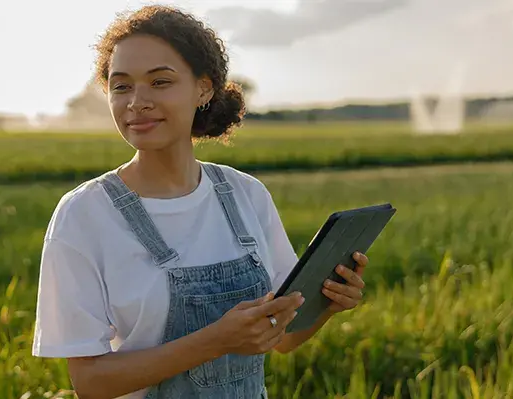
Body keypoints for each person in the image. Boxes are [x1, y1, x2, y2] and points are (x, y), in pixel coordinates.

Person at [31, 5, 369, 399]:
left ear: (203, 88)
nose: (137, 101)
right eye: (121, 86)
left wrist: (328, 303)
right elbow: (90, 383)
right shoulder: (83, 215)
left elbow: (282, 339)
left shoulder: (245, 194)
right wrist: (215, 340)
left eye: (159, 82)